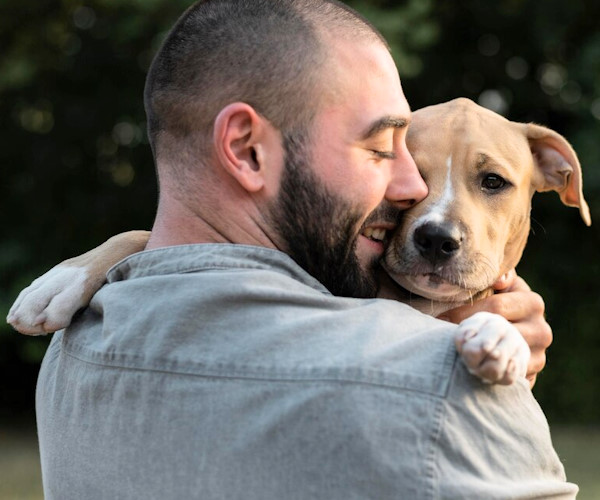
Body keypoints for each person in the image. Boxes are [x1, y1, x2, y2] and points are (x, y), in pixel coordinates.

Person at [34, 0, 576, 498]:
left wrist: (123, 256)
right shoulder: (442, 391)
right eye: (380, 148)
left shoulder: (71, 347)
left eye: (492, 182)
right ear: (246, 150)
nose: (411, 190)